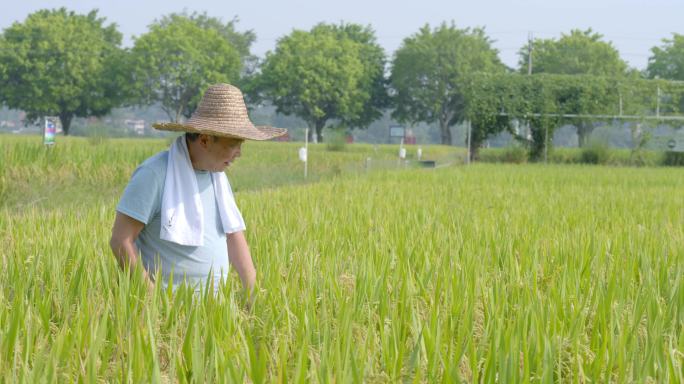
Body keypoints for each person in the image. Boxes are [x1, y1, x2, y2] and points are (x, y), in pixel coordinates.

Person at [109, 83, 286, 294]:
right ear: (204, 140)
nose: (239, 153)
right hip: (168, 312)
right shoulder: (155, 174)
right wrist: (151, 296)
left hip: (216, 311)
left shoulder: (217, 177)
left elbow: (233, 235)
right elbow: (121, 240)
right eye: (233, 144)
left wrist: (252, 292)